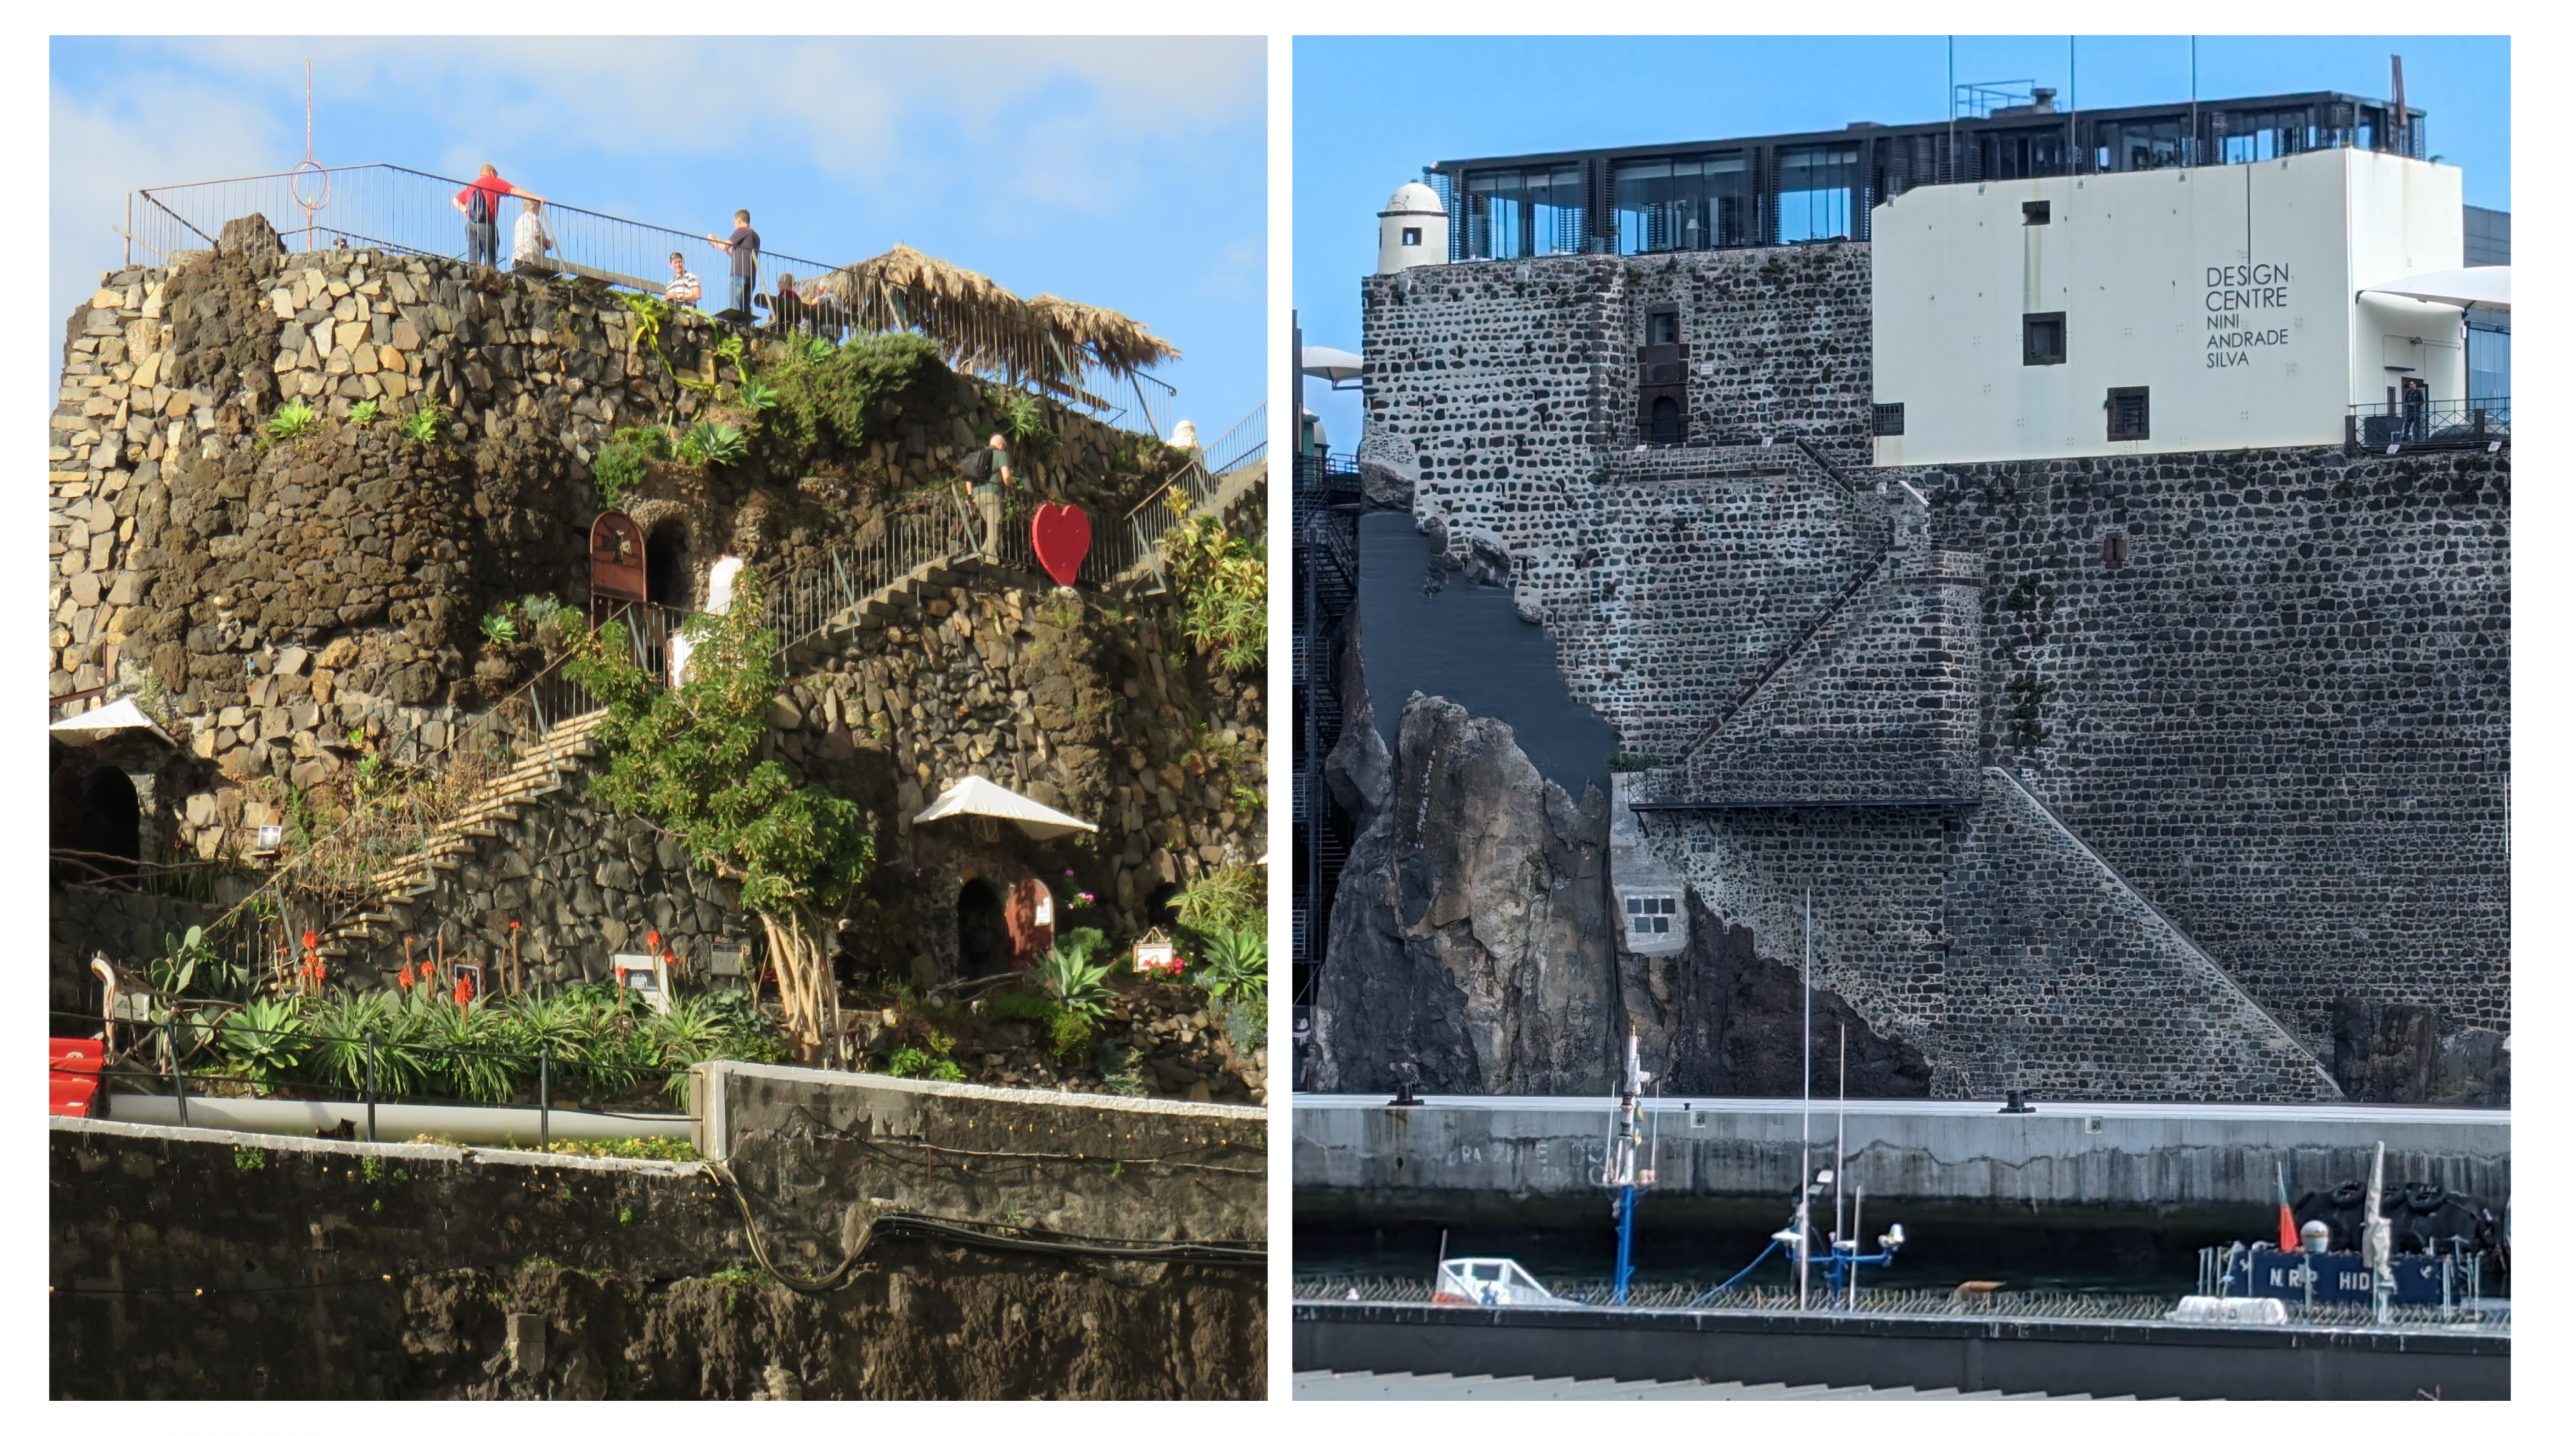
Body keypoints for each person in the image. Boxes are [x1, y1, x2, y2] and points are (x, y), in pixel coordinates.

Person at [452, 163, 539, 269]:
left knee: (473, 261)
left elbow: (455, 200)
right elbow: (514, 190)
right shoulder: (493, 181)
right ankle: (490, 279)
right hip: (486, 224)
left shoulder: (472, 186)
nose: (497, 177)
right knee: (490, 260)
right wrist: (535, 198)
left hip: (470, 225)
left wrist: (465, 210)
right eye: (496, 174)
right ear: (491, 172)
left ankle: (472, 279)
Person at [957, 433, 1013, 559]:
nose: (1004, 449)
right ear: (1001, 445)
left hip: (977, 497)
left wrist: (970, 497)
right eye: (1004, 447)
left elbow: (968, 479)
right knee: (994, 528)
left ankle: (981, 553)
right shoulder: (1000, 454)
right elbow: (1007, 476)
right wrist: (1010, 489)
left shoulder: (978, 455)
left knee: (992, 528)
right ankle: (991, 561)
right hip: (993, 495)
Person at [705, 208, 761, 318]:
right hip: (750, 275)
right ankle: (746, 328)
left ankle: (736, 327)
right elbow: (732, 252)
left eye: (734, 222)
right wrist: (718, 241)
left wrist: (713, 240)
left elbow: (726, 245)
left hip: (739, 273)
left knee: (735, 305)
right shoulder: (755, 236)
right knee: (745, 307)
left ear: (739, 220)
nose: (734, 225)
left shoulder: (743, 230)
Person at [510, 196, 556, 269]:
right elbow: (536, 234)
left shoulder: (519, 220)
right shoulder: (532, 217)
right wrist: (546, 242)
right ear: (533, 206)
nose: (539, 210)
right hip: (530, 256)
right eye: (538, 206)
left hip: (518, 255)